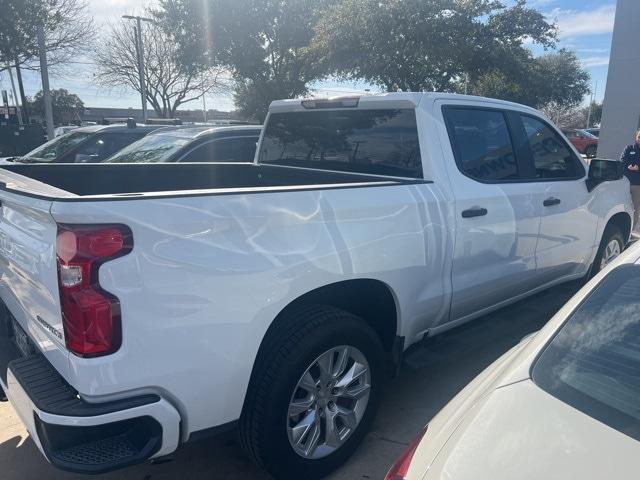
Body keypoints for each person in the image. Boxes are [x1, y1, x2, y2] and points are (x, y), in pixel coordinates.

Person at [621, 129, 640, 231]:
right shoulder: (629, 148)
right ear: (636, 137)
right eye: (639, 137)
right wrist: (628, 165)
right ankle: (622, 226)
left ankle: (631, 229)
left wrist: (638, 167)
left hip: (637, 185)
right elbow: (622, 159)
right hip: (625, 182)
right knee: (622, 204)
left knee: (636, 207)